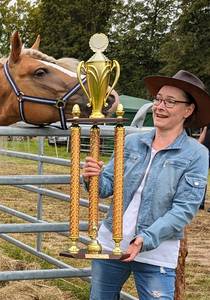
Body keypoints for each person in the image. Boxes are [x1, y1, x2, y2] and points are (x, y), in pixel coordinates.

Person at [83, 70, 210, 300]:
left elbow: (184, 209)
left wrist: (145, 239)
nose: (160, 106)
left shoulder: (196, 154)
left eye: (170, 101)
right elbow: (105, 188)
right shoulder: (131, 142)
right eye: (158, 99)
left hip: (156, 251)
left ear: (188, 110)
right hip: (112, 242)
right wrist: (93, 176)